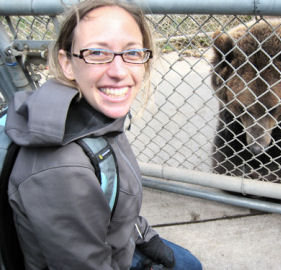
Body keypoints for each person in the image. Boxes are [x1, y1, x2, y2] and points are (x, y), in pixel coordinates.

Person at [5, 0, 202, 269]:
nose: (119, 72)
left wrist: (145, 236)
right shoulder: (63, 169)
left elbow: (116, 199)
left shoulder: (93, 114)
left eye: (132, 53)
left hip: (113, 240)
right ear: (67, 64)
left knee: (187, 263)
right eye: (97, 52)